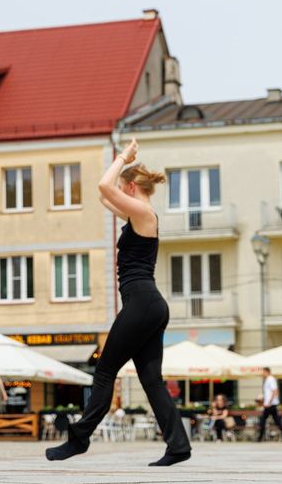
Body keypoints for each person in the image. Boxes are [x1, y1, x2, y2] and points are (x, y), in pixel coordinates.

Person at [46, 139, 191, 466]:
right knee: (151, 380)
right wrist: (122, 168)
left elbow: (102, 184)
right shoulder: (137, 215)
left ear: (128, 187)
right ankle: (178, 445)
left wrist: (124, 156)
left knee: (105, 369)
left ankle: (79, 438)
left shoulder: (142, 212)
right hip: (148, 304)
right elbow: (102, 194)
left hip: (142, 303)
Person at [258, 367, 282, 442]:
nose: (262, 373)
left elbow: (275, 391)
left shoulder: (271, 379)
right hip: (270, 404)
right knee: (276, 421)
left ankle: (260, 437)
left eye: (263, 372)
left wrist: (269, 402)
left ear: (267, 372)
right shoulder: (268, 380)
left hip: (270, 404)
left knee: (263, 420)